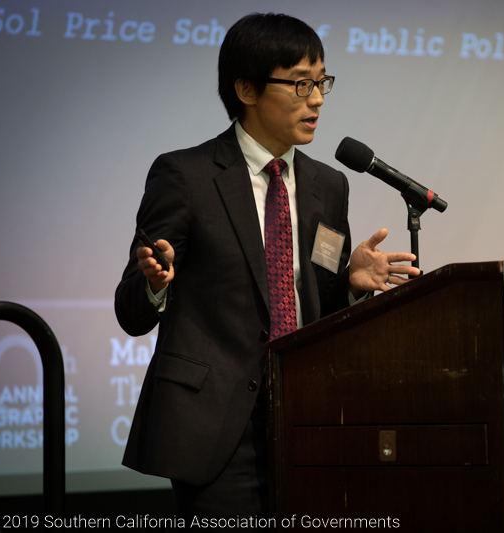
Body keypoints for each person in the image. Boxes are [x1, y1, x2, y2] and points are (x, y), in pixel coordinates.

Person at [114, 12, 420, 519]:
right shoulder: (186, 175)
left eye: (321, 82)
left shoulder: (329, 186)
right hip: (214, 425)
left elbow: (319, 308)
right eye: (301, 84)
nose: (317, 100)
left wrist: (350, 286)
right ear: (247, 90)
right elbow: (130, 311)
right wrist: (155, 283)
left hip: (307, 417)